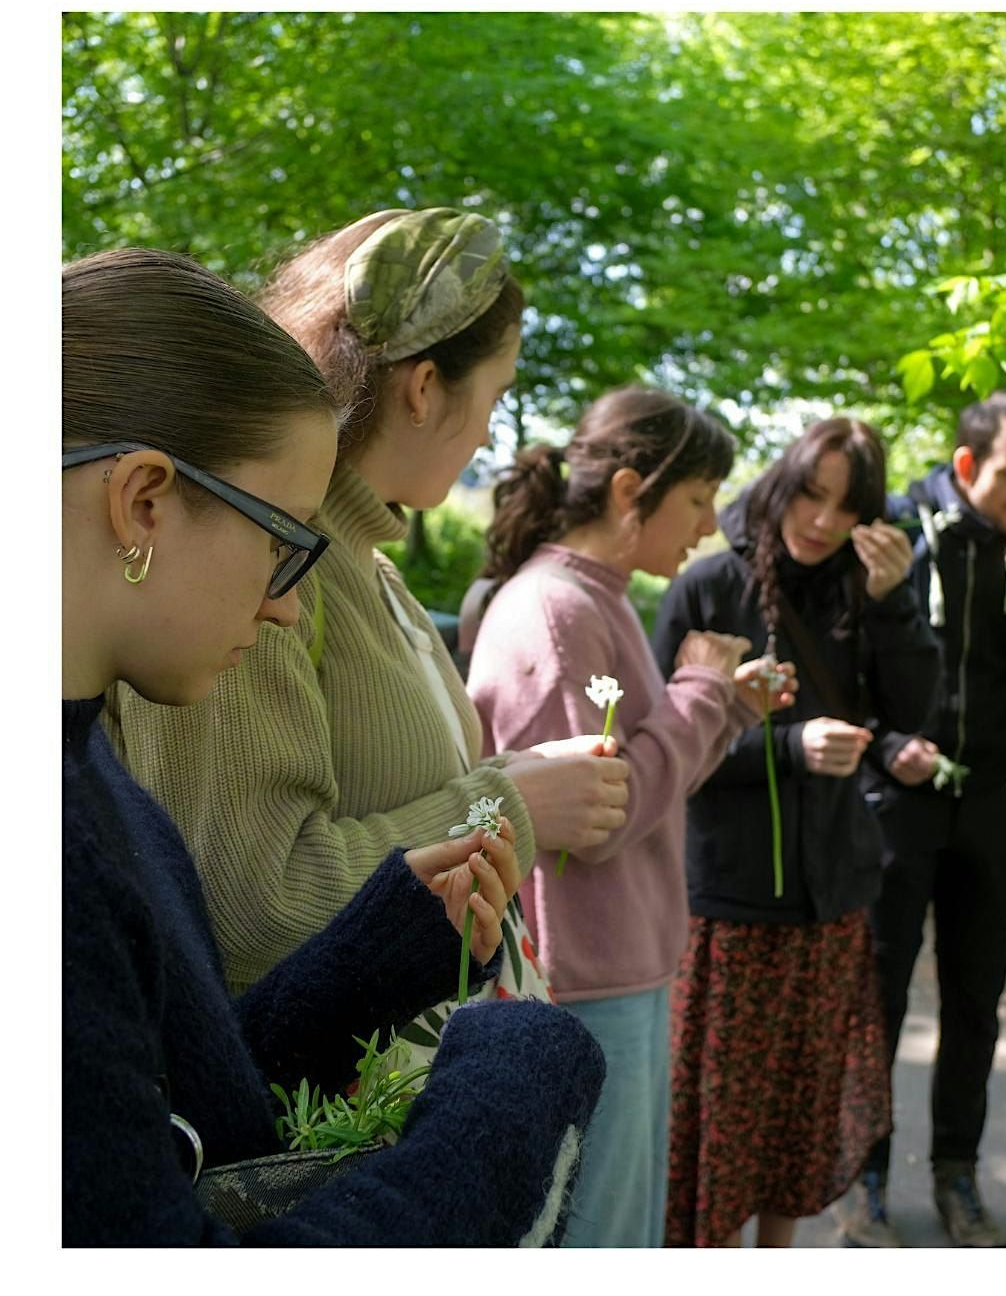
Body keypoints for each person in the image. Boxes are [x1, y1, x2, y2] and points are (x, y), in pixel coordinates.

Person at [62, 247, 605, 1246]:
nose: (289, 605)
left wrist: (375, 957)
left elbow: (188, 1110)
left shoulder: (91, 784)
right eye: (281, 542)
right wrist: (506, 1093)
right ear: (142, 502)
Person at [105, 210, 629, 1054]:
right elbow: (249, 907)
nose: (494, 432)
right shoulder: (259, 577)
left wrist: (501, 786)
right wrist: (512, 808)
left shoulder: (371, 570)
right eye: (495, 397)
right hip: (335, 1130)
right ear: (424, 389)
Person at [466, 386, 792, 1247]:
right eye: (695, 500)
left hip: (621, 965)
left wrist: (724, 706)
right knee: (603, 1239)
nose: (709, 524)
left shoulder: (597, 596)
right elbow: (598, 818)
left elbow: (642, 775)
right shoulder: (555, 610)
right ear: (628, 490)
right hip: (585, 978)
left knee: (627, 1228)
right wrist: (697, 690)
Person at [653, 416, 941, 1249]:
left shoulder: (871, 583)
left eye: (846, 507)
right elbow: (660, 746)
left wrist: (894, 607)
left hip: (833, 897)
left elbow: (913, 711)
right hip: (732, 901)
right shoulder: (708, 584)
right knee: (713, 1133)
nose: (822, 521)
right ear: (783, 483)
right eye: (811, 495)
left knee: (796, 1127)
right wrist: (787, 746)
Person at [842, 393, 1006, 1249]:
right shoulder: (896, 533)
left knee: (978, 998)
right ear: (964, 467)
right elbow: (842, 663)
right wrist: (882, 746)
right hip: (897, 806)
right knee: (877, 994)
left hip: (993, 803)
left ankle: (958, 1175)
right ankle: (865, 1182)